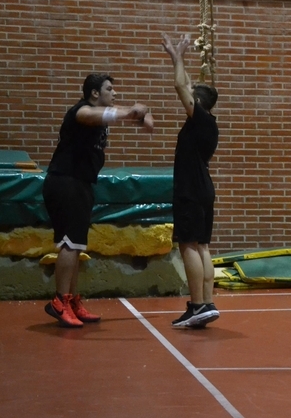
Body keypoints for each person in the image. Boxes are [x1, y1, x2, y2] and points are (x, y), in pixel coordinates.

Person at [43, 73, 154, 328]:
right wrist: (131, 113)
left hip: (81, 183)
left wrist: (142, 114)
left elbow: (139, 116)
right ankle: (59, 301)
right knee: (69, 243)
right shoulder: (81, 111)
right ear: (95, 93)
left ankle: (71, 301)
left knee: (76, 244)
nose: (114, 93)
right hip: (65, 182)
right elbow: (91, 115)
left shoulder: (101, 114)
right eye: (109, 89)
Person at [162, 34, 221, 328]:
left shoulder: (199, 119)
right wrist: (177, 57)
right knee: (202, 247)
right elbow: (185, 84)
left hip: (191, 190)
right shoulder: (208, 122)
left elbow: (179, 85)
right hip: (204, 189)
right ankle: (206, 303)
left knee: (188, 245)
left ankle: (197, 305)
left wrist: (181, 57)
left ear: (196, 102)